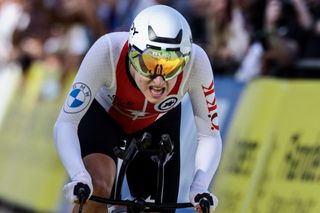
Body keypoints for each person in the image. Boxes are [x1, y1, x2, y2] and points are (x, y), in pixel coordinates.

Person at [53, 5, 222, 213]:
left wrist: (199, 187)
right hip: (105, 114)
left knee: (157, 208)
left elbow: (210, 135)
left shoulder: (197, 63)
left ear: (185, 61)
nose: (159, 80)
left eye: (171, 67)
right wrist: (80, 176)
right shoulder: (107, 50)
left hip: (158, 121)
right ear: (132, 54)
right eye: (149, 64)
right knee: (97, 186)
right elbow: (66, 123)